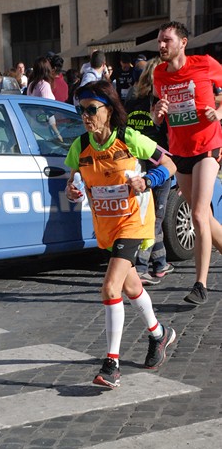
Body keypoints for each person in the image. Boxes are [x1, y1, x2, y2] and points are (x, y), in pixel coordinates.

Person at [65, 80, 177, 388]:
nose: (85, 116)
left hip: (134, 222)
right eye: (80, 110)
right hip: (106, 227)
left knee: (110, 288)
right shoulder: (80, 146)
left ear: (109, 110)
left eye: (91, 109)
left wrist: (148, 180)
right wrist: (72, 190)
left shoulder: (129, 138)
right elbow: (72, 180)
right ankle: (159, 333)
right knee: (130, 288)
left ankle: (111, 363)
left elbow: (169, 163)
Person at [152, 21, 222, 305]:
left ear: (183, 42)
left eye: (167, 40)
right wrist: (158, 112)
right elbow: (158, 115)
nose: (161, 46)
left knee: (197, 214)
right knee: (204, 215)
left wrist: (218, 112)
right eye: (159, 41)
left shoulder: (204, 64)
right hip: (179, 150)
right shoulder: (158, 73)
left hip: (207, 146)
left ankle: (200, 285)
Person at [125, 57, 174, 285]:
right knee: (154, 217)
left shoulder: (132, 98)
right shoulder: (159, 102)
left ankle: (160, 263)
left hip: (137, 161)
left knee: (151, 213)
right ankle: (142, 267)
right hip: (158, 164)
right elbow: (165, 134)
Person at [27, 56, 63, 141]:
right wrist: (57, 133)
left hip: (33, 125)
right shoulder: (44, 85)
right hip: (45, 129)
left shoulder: (31, 84)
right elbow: (48, 110)